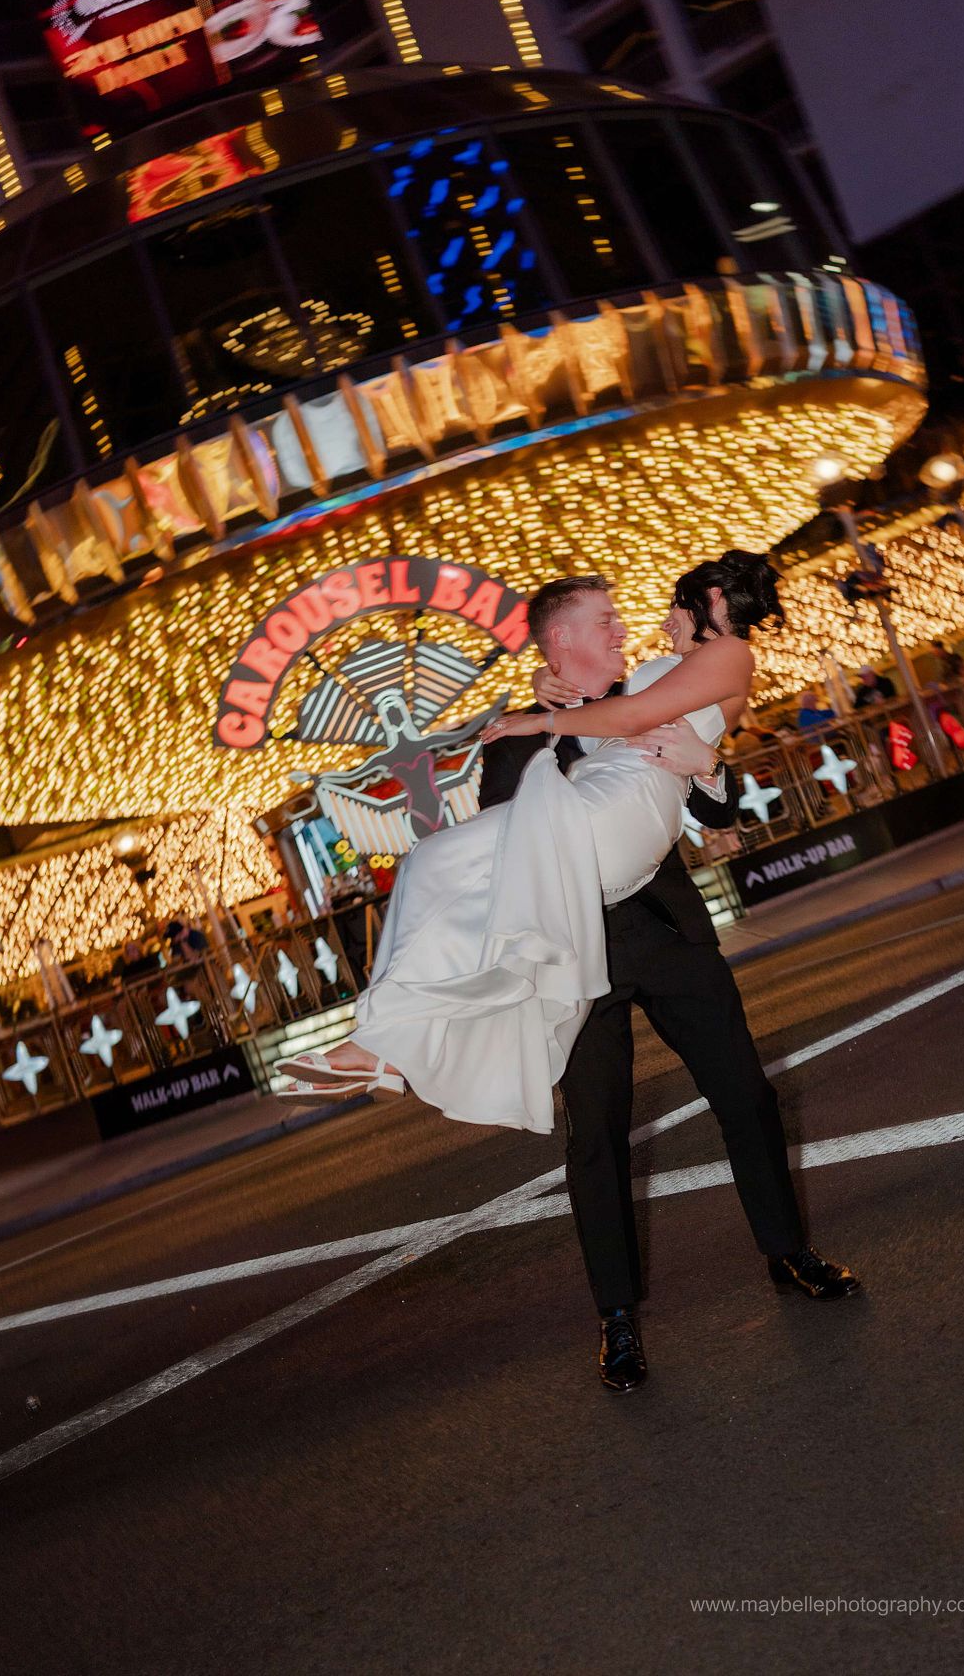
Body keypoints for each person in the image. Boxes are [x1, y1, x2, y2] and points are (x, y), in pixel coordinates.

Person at [279, 552, 859, 1383]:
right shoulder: (518, 739)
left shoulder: (672, 688)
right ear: (558, 646)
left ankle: (789, 1252)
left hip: (666, 933)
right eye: (605, 621)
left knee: (746, 1094)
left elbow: (719, 824)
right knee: (597, 1139)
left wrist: (712, 774)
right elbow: (504, 868)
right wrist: (556, 723)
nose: (625, 626)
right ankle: (616, 1318)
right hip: (573, 955)